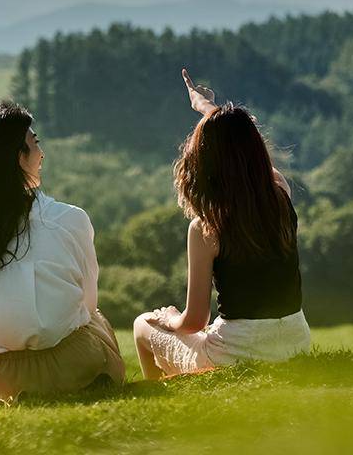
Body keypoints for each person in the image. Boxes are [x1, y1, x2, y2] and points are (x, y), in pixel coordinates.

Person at [0, 102, 124, 413]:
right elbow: (87, 305)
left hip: (3, 378)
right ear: (18, 157)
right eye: (35, 144)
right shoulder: (68, 219)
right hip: (78, 365)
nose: (41, 154)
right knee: (96, 318)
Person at [133, 70, 310, 379]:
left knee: (142, 325)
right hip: (296, 343)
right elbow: (243, 151)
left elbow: (194, 321)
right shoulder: (280, 194)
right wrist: (207, 108)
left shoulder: (206, 228)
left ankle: (164, 397)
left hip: (237, 353)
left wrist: (171, 319)